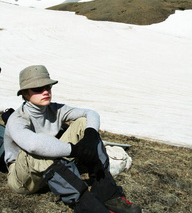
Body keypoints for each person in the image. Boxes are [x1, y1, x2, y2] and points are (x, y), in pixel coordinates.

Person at [4, 65, 142, 213]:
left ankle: (108, 194)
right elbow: (33, 145)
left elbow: (91, 113)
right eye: (38, 89)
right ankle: (86, 205)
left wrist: (90, 135)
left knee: (83, 123)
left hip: (50, 172)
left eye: (48, 86)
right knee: (41, 146)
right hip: (25, 180)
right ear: (24, 94)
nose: (45, 92)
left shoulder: (55, 109)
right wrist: (74, 150)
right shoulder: (17, 119)